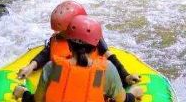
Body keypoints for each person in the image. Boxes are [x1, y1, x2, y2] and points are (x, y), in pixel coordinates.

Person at [14, 15, 143, 102]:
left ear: (69, 44)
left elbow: (37, 100)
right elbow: (122, 100)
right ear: (95, 46)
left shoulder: (53, 68)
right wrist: (134, 92)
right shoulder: (104, 70)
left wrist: (23, 93)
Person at [17, 1, 137, 88]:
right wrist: (30, 67)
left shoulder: (92, 40)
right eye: (58, 31)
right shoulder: (56, 41)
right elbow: (45, 54)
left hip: (91, 82)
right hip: (63, 82)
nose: (59, 34)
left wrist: (125, 76)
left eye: (63, 31)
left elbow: (109, 56)